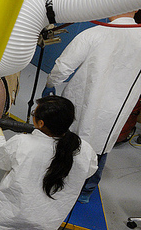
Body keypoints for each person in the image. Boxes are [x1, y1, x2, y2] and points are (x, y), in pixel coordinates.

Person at [44, 10, 141, 203]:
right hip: (117, 109)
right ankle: (86, 190)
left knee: (69, 138)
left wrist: (50, 84)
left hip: (83, 100)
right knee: (101, 145)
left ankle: (57, 180)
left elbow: (64, 66)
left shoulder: (96, 33)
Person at [0, 96, 98, 230]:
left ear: (40, 123)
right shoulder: (84, 149)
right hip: (45, 220)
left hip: (11, 215)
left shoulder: (22, 142)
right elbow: (89, 170)